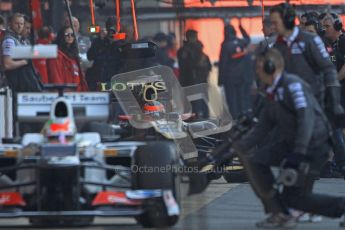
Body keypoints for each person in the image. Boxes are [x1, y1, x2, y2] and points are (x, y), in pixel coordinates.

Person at [235, 48, 345, 228]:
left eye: (259, 67)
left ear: (271, 67)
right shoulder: (271, 92)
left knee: (294, 197)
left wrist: (299, 154)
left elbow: (306, 119)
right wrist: (238, 147)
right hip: (293, 144)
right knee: (255, 162)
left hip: (314, 145)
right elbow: (262, 128)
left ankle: (340, 206)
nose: (256, 71)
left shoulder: (292, 85)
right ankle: (279, 212)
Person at [270, 3, 345, 174]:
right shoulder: (285, 45)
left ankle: (336, 163)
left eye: (275, 22)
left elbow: (327, 69)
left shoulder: (317, 44)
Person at [218, 22, 251, 119]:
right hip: (241, 76)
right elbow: (248, 39)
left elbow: (223, 64)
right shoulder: (241, 42)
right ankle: (243, 116)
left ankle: (235, 119)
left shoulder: (225, 46)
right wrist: (241, 27)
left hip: (230, 78)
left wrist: (220, 80)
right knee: (241, 98)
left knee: (231, 100)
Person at [2, 13, 41, 93]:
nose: (19, 26)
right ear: (10, 24)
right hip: (14, 85)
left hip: (22, 84)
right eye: (16, 23)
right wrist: (25, 61)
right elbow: (7, 64)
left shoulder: (21, 40)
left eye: (21, 24)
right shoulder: (9, 41)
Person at [86, 16, 126, 91]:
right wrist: (100, 40)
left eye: (115, 27)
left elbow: (125, 64)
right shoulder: (100, 42)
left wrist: (116, 41)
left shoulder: (122, 44)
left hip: (115, 81)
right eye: (110, 27)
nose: (112, 31)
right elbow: (90, 56)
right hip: (98, 81)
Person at [46, 26, 88, 91]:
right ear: (62, 36)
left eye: (72, 35)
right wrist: (61, 93)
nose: (70, 37)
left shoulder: (74, 55)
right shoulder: (56, 55)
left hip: (77, 95)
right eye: (67, 35)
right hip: (65, 94)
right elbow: (55, 77)